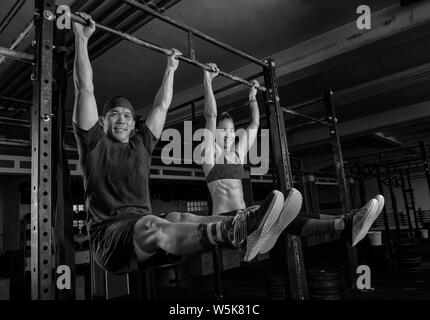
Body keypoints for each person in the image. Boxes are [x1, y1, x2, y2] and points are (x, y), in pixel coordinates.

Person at [71, 13, 293, 274]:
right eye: (114, 115)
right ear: (102, 122)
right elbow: (84, 88)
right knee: (151, 224)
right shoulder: (94, 144)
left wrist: (171, 68)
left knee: (181, 218)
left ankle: (248, 222)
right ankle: (234, 229)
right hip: (109, 240)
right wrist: (81, 39)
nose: (121, 120)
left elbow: (162, 106)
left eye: (127, 116)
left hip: (145, 232)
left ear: (134, 125)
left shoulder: (141, 144)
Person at [201, 63, 384, 261]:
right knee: (280, 215)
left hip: (247, 216)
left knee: (287, 218)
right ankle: (344, 223)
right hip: (225, 221)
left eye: (230, 130)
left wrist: (252, 97)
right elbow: (210, 115)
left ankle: (345, 223)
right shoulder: (209, 154)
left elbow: (254, 124)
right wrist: (207, 80)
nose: (227, 135)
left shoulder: (238, 154)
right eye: (222, 131)